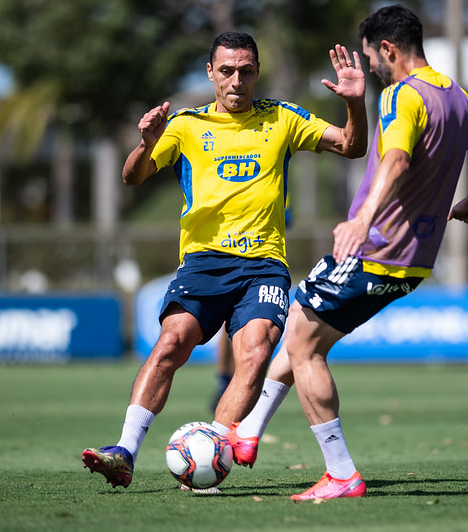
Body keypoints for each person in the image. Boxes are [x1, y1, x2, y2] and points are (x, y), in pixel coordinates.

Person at [227, 4, 468, 500]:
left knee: (304, 345)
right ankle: (248, 433)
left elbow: (397, 158)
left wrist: (362, 219)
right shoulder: (458, 97)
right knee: (299, 320)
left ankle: (341, 474)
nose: (373, 68)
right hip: (415, 261)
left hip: (375, 250)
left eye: (372, 58)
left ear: (389, 50)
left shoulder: (403, 95)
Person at [81, 31, 367, 489]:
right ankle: (125, 451)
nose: (237, 79)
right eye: (227, 70)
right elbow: (133, 177)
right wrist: (146, 142)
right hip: (201, 263)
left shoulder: (283, 118)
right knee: (172, 341)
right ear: (210, 73)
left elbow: (353, 146)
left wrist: (355, 102)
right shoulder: (185, 124)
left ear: (257, 73)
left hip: (263, 265)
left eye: (247, 71)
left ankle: (211, 449)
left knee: (253, 352)